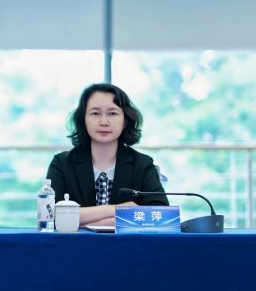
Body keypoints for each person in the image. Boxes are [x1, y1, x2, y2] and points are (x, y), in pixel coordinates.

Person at [46, 83, 168, 227]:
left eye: (113, 113)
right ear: (83, 119)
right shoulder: (62, 163)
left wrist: (80, 221)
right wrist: (122, 209)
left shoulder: (143, 164)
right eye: (95, 113)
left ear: (125, 121)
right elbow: (51, 214)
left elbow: (161, 215)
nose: (104, 122)